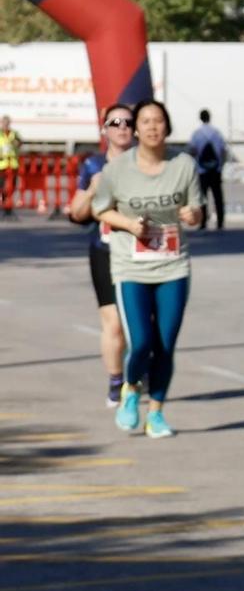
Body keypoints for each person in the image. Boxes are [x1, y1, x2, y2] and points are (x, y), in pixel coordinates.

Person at [92, 100, 204, 440]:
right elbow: (101, 210)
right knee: (140, 343)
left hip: (173, 266)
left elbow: (196, 210)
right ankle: (129, 390)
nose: (152, 127)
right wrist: (128, 223)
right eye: (145, 121)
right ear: (136, 129)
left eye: (159, 121)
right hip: (131, 267)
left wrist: (191, 216)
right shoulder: (118, 170)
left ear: (167, 128)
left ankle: (155, 413)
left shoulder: (184, 165)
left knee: (165, 345)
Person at [67, 104, 135, 407]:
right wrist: (93, 191)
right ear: (104, 130)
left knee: (141, 323)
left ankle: (137, 371)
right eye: (115, 122)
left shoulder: (148, 164)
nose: (122, 127)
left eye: (128, 123)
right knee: (113, 322)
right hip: (104, 249)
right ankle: (116, 379)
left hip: (142, 252)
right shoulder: (93, 166)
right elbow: (76, 213)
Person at [188, 109, 227, 229]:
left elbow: (192, 150)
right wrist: (221, 165)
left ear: (200, 118)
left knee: (203, 197)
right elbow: (223, 150)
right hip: (216, 170)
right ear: (210, 117)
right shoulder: (217, 133)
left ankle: (203, 221)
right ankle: (220, 222)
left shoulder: (197, 133)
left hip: (202, 170)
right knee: (218, 197)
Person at [0, 114, 20, 217]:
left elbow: (20, 143)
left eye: (7, 123)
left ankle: (9, 204)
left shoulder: (14, 133)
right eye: (4, 123)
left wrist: (15, 142)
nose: (5, 125)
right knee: (2, 186)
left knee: (12, 186)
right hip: (2, 164)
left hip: (12, 164)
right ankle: (4, 203)